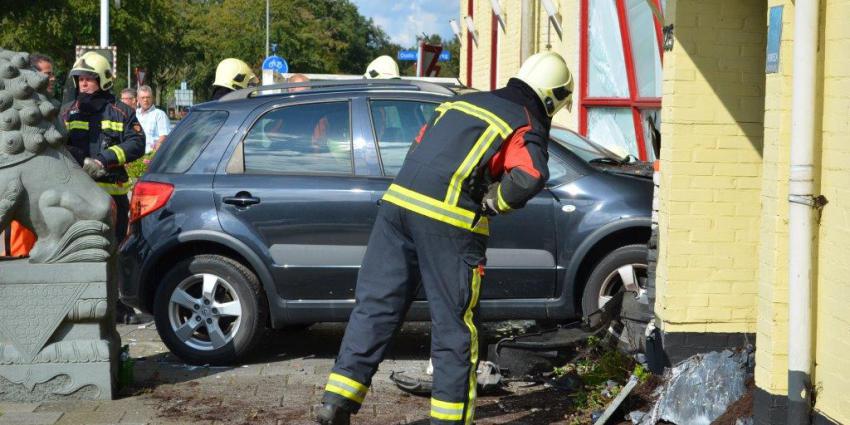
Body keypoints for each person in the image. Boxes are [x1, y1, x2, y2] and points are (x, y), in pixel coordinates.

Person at [316, 52, 574, 425]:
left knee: (375, 309)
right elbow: (531, 175)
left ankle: (335, 404)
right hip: (448, 221)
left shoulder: (461, 102)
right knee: (455, 326)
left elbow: (420, 143)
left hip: (397, 207)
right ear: (552, 97)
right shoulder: (524, 121)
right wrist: (492, 201)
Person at [60, 51, 145, 322]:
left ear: (104, 80)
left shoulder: (121, 112)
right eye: (80, 79)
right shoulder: (68, 111)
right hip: (77, 194)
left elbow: (136, 144)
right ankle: (79, 303)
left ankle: (115, 303)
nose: (83, 84)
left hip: (112, 193)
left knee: (113, 251)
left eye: (89, 79)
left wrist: (104, 160)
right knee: (79, 250)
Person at [6, 53, 59, 257]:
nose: (52, 78)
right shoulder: (23, 108)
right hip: (27, 193)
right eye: (48, 74)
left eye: (52, 74)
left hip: (48, 192)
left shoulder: (49, 104)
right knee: (22, 254)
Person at [136, 85, 171, 153]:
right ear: (138, 99)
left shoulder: (159, 114)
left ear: (152, 98)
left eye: (148, 97)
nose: (145, 100)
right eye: (142, 97)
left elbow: (164, 136)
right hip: (135, 156)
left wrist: (153, 154)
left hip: (151, 157)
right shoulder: (135, 114)